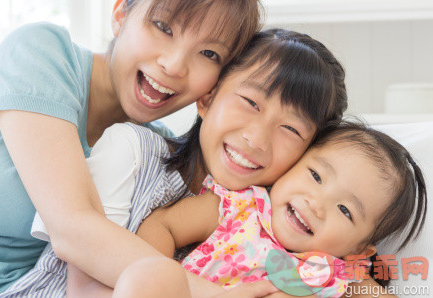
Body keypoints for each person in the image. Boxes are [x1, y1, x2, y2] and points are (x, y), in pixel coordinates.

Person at [0, 0, 261, 296]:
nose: (173, 65)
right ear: (120, 16)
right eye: (163, 26)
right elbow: (72, 229)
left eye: (208, 53)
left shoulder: (150, 151)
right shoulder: (41, 54)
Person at [56, 28, 349, 297]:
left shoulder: (286, 224)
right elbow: (82, 288)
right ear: (208, 98)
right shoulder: (132, 151)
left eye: (291, 129)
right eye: (251, 102)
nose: (257, 139)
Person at [113, 121, 427, 298]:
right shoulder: (239, 207)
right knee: (151, 275)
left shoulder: (335, 273)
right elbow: (164, 224)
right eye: (315, 176)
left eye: (345, 210)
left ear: (360, 248)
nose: (315, 204)